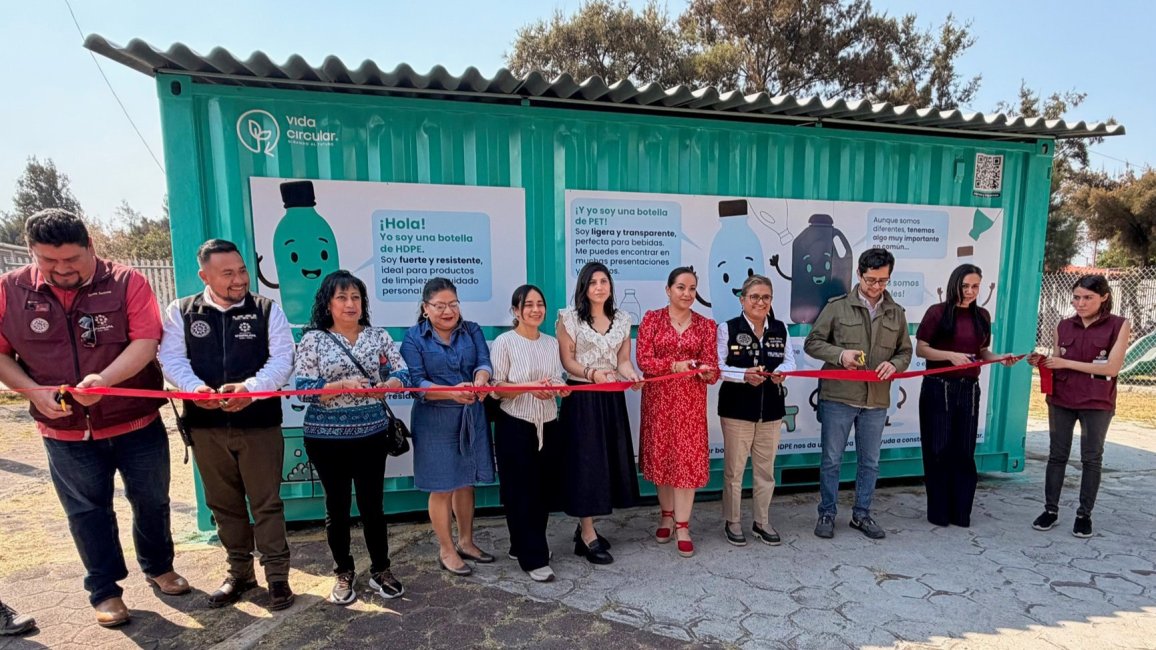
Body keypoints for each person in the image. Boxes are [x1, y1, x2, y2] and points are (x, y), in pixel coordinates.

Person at [0, 209, 187, 627]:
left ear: (91, 248)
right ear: (32, 253)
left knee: (153, 501)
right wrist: (33, 391)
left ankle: (160, 567)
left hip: (135, 422)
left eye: (72, 260)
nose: (62, 270)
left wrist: (105, 379)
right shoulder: (9, 292)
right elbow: (2, 355)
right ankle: (105, 590)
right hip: (63, 430)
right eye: (50, 261)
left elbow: (145, 340)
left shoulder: (126, 282)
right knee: (87, 511)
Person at [157, 239, 295, 610]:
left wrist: (251, 389)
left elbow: (283, 361)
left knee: (266, 503)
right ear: (205, 275)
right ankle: (240, 573)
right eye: (228, 273)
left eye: (242, 270)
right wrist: (194, 389)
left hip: (259, 424)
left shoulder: (267, 310)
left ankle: (277, 577)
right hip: (205, 427)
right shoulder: (181, 311)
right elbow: (170, 360)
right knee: (224, 504)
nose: (239, 280)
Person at [294, 270, 408, 604]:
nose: (350, 304)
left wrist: (388, 387)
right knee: (337, 508)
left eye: (356, 297)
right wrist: (339, 387)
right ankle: (343, 571)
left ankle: (380, 570)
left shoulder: (377, 336)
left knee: (373, 506)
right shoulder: (313, 339)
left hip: (372, 435)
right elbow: (303, 390)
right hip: (325, 439)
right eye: (342, 297)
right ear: (327, 304)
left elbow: (402, 372)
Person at [804, 247, 912, 540]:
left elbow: (905, 351)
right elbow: (812, 343)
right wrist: (840, 355)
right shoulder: (837, 307)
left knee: (870, 462)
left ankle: (861, 514)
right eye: (870, 280)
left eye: (883, 281)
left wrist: (895, 364)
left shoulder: (895, 312)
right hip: (839, 397)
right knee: (831, 460)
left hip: (876, 401)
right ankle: (827, 512)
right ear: (859, 275)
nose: (876, 287)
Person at [401, 277, 495, 576]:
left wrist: (480, 379)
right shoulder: (414, 338)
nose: (447, 311)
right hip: (434, 418)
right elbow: (416, 382)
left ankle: (467, 541)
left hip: (469, 414)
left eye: (453, 304)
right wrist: (451, 390)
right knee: (442, 486)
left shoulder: (472, 330)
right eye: (439, 306)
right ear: (425, 308)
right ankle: (446, 548)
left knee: (465, 481)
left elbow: (484, 361)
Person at [1028, 274, 1130, 538]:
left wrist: (1065, 363)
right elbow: (1057, 359)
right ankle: (1050, 510)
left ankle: (1084, 515)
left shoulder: (1119, 325)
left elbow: (1112, 367)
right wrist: (1043, 361)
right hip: (1061, 399)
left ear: (1104, 298)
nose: (1080, 303)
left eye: (1088, 298)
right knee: (1057, 455)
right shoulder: (1063, 325)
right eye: (1076, 297)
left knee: (1091, 458)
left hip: (1097, 402)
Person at [915, 264, 1017, 528]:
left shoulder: (982, 315)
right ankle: (939, 513)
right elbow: (922, 350)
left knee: (964, 452)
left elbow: (982, 352)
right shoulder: (937, 312)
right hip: (939, 388)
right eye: (965, 286)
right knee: (937, 450)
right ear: (954, 284)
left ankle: (961, 513)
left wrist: (1000, 358)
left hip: (969, 390)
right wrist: (950, 356)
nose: (970, 291)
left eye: (975, 286)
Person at [556, 261, 642, 565]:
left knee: (605, 462)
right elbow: (567, 361)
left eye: (604, 281)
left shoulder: (622, 319)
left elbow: (622, 361)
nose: (599, 287)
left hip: (610, 399)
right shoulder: (568, 319)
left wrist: (632, 376)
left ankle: (586, 530)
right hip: (582, 398)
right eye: (593, 282)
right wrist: (592, 373)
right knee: (586, 464)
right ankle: (588, 533)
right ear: (583, 287)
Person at [636, 267, 718, 558]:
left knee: (686, 464)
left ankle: (683, 526)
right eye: (681, 287)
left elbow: (713, 367)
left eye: (692, 288)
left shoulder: (707, 325)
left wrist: (707, 372)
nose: (687, 294)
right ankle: (666, 515)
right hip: (659, 403)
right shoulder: (652, 319)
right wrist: (674, 366)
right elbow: (644, 360)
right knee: (664, 461)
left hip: (690, 406)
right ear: (668, 289)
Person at [489, 284, 568, 582]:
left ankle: (519, 543)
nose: (536, 309)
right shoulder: (504, 342)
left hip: (548, 423)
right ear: (515, 311)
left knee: (543, 489)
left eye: (540, 303)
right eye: (528, 304)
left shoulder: (550, 343)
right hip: (516, 424)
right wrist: (528, 388)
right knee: (521, 491)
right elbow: (497, 389)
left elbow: (557, 379)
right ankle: (533, 557)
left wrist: (556, 390)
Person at [716, 274, 796, 547]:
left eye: (766, 297)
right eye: (754, 297)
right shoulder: (727, 328)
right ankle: (733, 521)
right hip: (737, 409)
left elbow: (790, 361)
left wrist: (781, 373)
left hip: (771, 411)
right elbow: (719, 367)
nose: (760, 302)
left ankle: (762, 521)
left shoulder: (780, 328)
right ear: (743, 300)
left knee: (765, 471)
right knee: (734, 471)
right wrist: (743, 375)